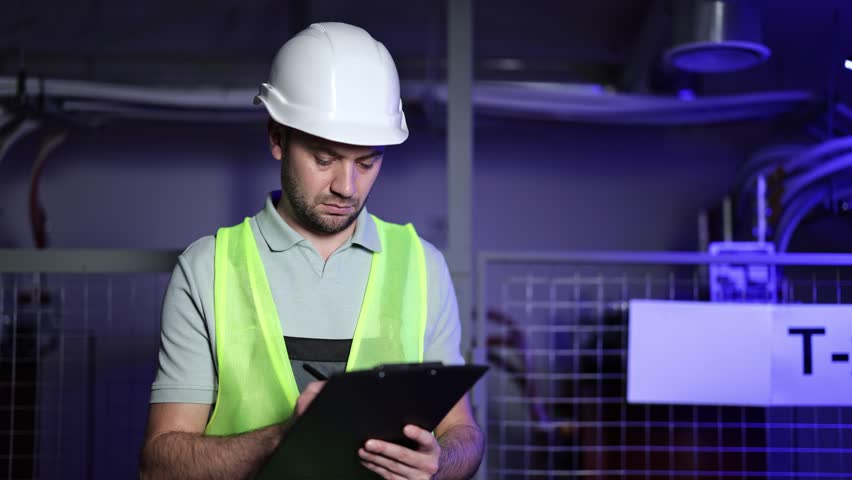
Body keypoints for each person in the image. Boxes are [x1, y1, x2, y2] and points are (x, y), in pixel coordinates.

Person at [139, 22, 484, 480]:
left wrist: (440, 465)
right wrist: (286, 437)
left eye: (367, 162)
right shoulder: (208, 269)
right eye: (324, 159)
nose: (347, 186)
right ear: (277, 138)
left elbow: (464, 432)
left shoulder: (422, 267)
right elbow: (160, 463)